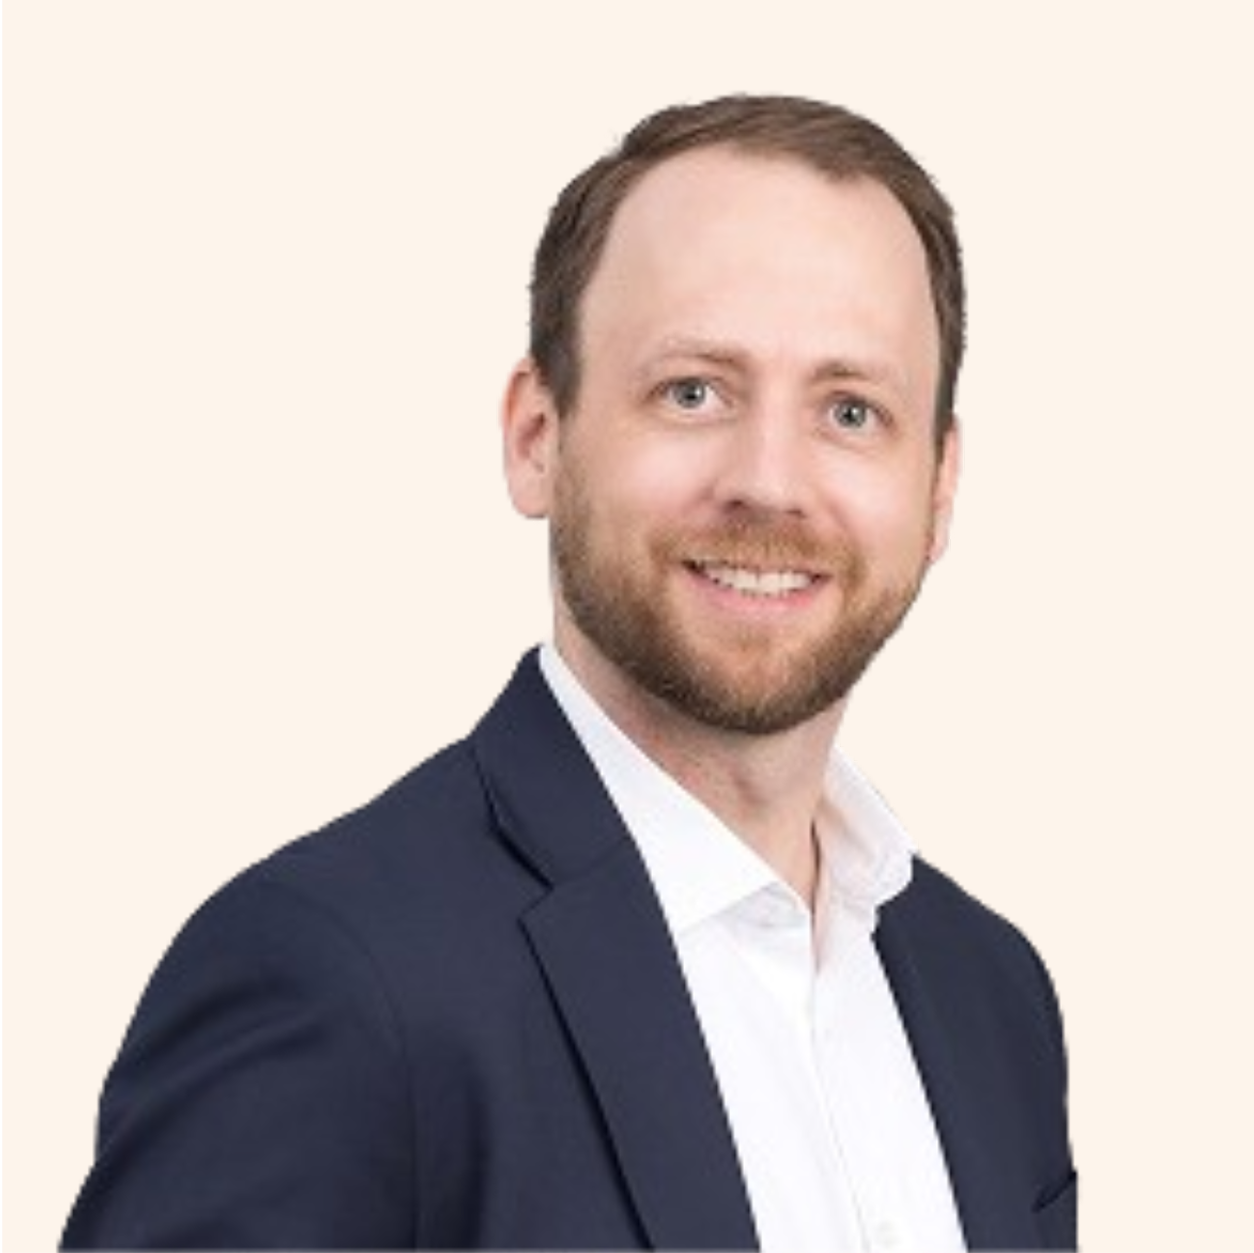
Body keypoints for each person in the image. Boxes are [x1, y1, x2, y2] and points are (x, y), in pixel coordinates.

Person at [62, 95, 1077, 1251]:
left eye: (852, 409)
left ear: (939, 487)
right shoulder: (329, 975)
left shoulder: (992, 995)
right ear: (536, 434)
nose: (770, 480)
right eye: (693, 390)